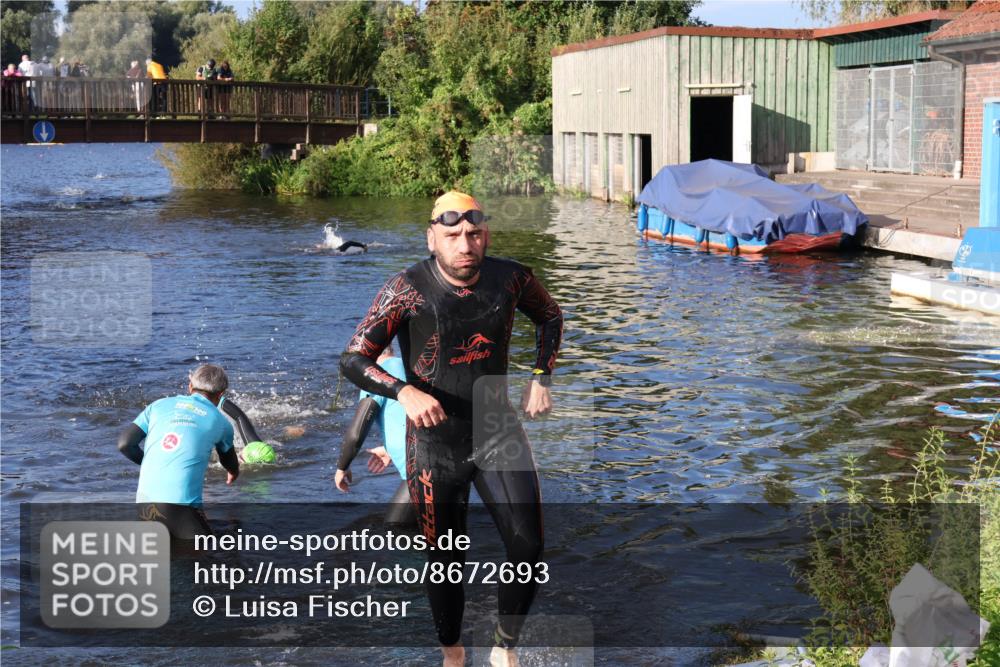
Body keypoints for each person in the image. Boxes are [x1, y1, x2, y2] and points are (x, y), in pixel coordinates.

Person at [340, 191, 563, 667]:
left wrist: (540, 377)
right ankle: (454, 653)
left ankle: (505, 648)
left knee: (528, 544)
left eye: (474, 234)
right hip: (433, 446)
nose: (465, 243)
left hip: (497, 429)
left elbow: (550, 316)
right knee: (446, 562)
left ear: (485, 236)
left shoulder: (511, 278)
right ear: (432, 237)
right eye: (453, 235)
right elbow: (353, 358)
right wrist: (402, 391)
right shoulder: (406, 289)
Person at [116, 364, 239, 540]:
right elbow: (229, 461)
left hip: (144, 505)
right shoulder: (221, 422)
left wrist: (154, 462)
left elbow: (125, 444)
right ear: (220, 395)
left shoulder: (158, 405)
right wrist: (233, 472)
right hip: (182, 509)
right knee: (214, 555)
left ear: (190, 386)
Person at [335, 343, 415, 526]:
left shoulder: (376, 375)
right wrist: (388, 449)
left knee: (395, 528)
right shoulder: (408, 366)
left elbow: (358, 430)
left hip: (422, 470)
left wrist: (342, 467)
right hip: (443, 461)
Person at [217, 395, 277, 464]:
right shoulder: (253, 448)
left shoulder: (252, 448)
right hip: (267, 454)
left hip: (263, 450)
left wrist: (216, 397)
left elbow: (239, 416)